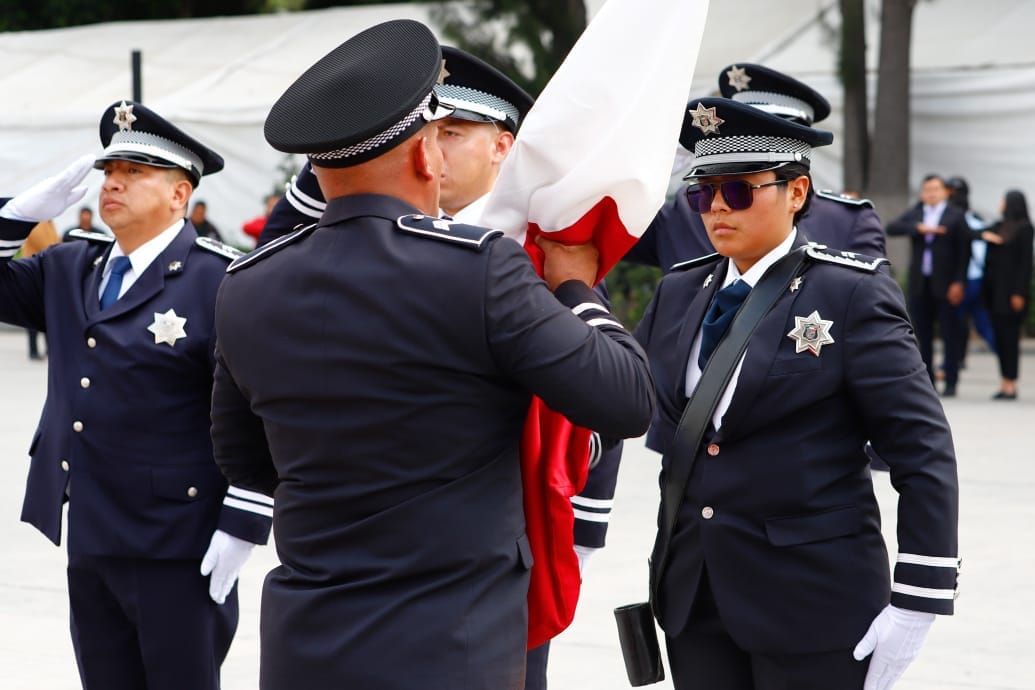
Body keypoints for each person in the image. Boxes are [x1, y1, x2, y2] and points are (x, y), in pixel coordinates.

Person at [209, 19, 654, 690]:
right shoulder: (478, 272)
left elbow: (241, 457)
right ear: (426, 159)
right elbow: (625, 399)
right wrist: (577, 285)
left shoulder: (246, 286)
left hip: (308, 639)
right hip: (453, 642)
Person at [633, 97, 959, 690]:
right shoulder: (679, 292)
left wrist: (918, 597)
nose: (716, 209)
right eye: (703, 194)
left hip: (814, 600)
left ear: (797, 192)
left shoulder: (849, 294)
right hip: (696, 598)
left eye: (738, 192)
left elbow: (921, 447)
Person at [0, 101, 272, 690]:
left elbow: (262, 405)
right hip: (91, 532)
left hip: (179, 543)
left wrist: (245, 521)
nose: (113, 183)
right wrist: (15, 217)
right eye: (109, 171)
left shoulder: (219, 279)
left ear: (180, 195)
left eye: (135, 171)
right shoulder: (72, 266)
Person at [625, 62, 886, 272]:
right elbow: (595, 234)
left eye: (740, 191)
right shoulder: (686, 210)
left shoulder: (847, 221)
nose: (717, 205)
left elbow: (865, 315)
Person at [886, 174, 971, 396]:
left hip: (946, 284)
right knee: (922, 334)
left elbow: (965, 253)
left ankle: (951, 380)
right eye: (927, 190)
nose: (931, 194)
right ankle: (928, 381)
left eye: (935, 189)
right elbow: (892, 227)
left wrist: (959, 282)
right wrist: (918, 228)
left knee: (949, 332)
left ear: (945, 192)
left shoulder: (956, 216)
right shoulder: (917, 213)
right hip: (921, 284)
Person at [981, 189, 1033, 399]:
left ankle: (1011, 382)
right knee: (1000, 338)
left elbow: (1025, 264)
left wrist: (1019, 292)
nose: (1000, 203)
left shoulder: (1025, 229)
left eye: (1003, 200)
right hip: (994, 292)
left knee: (1010, 339)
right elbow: (977, 232)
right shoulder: (999, 227)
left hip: (1011, 293)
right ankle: (1004, 381)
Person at [945, 176, 995, 372]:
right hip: (970, 278)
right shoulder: (972, 218)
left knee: (966, 322)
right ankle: (957, 359)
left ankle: (955, 361)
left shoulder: (963, 218)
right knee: (965, 322)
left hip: (968, 279)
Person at [17, 220, 61, 359]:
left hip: (46, 273)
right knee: (34, 314)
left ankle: (48, 349)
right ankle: (33, 350)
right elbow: (48, 245)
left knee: (48, 314)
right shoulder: (39, 222)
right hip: (34, 274)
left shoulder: (49, 223)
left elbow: (56, 243)